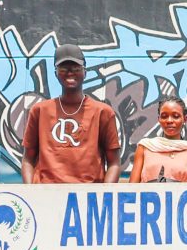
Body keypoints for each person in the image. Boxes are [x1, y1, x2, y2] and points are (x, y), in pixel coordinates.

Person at [22, 53, 122, 183]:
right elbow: (27, 159)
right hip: (45, 195)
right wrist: (30, 192)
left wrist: (104, 196)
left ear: (85, 72)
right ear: (55, 73)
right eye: (63, 69)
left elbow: (114, 162)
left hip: (88, 197)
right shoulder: (40, 111)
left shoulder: (103, 112)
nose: (70, 73)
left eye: (76, 69)